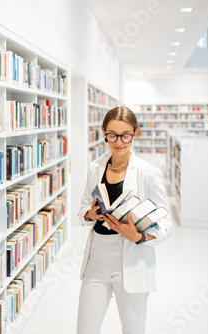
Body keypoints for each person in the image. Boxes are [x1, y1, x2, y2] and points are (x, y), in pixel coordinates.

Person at [77, 106, 173, 334]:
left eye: (125, 135)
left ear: (135, 133)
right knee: (85, 329)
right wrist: (90, 214)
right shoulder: (95, 168)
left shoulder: (148, 172)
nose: (118, 142)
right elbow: (82, 210)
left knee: (133, 329)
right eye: (112, 135)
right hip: (97, 260)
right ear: (103, 133)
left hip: (131, 258)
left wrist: (139, 236)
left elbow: (167, 225)